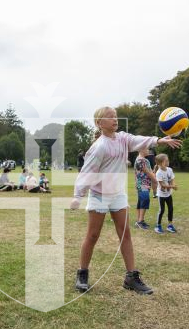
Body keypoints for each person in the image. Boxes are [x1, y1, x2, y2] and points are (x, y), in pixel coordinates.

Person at [70, 106, 182, 295]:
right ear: (99, 123)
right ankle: (82, 274)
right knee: (92, 235)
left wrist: (159, 140)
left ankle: (131, 277)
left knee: (125, 234)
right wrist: (77, 196)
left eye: (115, 116)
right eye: (110, 117)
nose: (115, 119)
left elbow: (138, 140)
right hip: (99, 195)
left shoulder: (122, 138)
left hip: (118, 195)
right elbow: (87, 172)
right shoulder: (99, 147)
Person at [154, 154, 178, 234]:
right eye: (166, 161)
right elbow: (162, 185)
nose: (168, 162)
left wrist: (173, 184)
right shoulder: (158, 173)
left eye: (168, 160)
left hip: (168, 194)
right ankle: (158, 226)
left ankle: (170, 225)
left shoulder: (169, 170)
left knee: (171, 209)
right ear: (160, 163)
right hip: (161, 195)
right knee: (162, 210)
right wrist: (172, 186)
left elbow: (172, 179)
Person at [133, 147, 156, 229]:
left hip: (146, 183)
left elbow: (149, 171)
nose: (148, 151)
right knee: (145, 199)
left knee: (141, 201)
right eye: (146, 149)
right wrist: (155, 179)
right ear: (141, 149)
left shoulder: (145, 160)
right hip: (142, 184)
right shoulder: (140, 160)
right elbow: (147, 171)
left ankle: (139, 220)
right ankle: (140, 221)